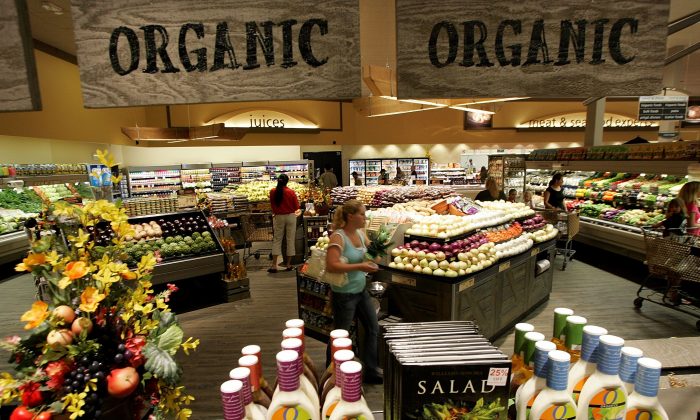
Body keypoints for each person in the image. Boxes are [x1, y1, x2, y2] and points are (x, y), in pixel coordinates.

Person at [325, 200, 382, 384]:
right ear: (351, 216)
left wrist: (376, 251)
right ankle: (331, 372)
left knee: (373, 328)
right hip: (344, 294)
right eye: (362, 214)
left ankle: (370, 371)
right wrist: (361, 265)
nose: (365, 218)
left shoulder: (360, 233)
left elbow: (372, 253)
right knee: (340, 334)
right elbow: (332, 265)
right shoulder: (338, 237)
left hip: (360, 290)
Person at [268, 174, 301, 273]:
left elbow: (272, 206)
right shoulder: (291, 192)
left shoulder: (273, 191)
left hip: (278, 217)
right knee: (290, 239)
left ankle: (274, 265)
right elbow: (296, 207)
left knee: (277, 239)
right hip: (291, 217)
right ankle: (288, 264)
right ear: (287, 181)